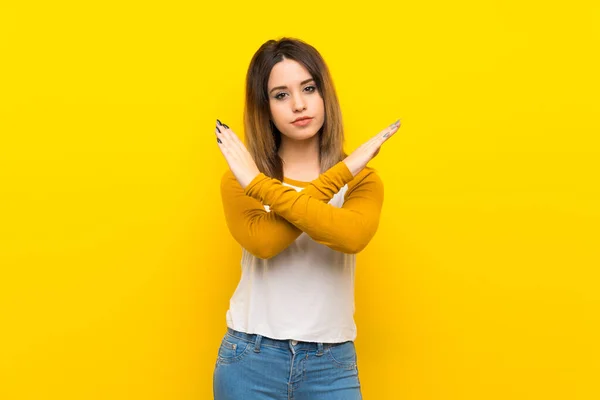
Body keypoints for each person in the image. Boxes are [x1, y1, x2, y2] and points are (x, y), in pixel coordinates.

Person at [212, 37, 401, 400]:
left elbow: (351, 236)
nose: (299, 104)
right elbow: (265, 243)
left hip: (331, 365)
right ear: (264, 107)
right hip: (250, 360)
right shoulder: (240, 178)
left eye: (309, 89)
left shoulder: (363, 180)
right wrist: (341, 170)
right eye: (280, 95)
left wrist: (260, 185)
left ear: (324, 94)